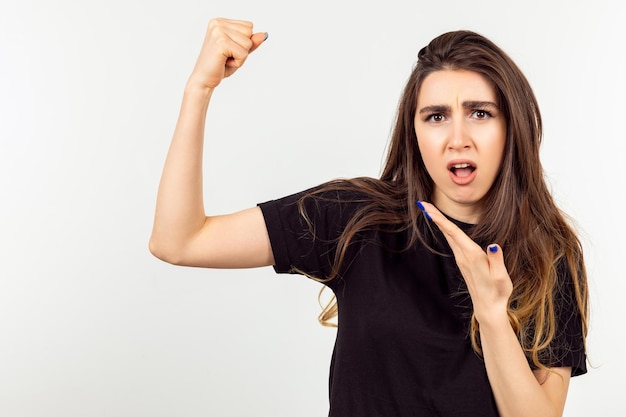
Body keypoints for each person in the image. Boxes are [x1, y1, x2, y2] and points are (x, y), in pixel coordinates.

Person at [150, 17, 588, 417]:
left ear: (511, 126)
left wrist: (492, 315)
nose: (459, 138)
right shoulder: (358, 219)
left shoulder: (548, 252)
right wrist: (199, 90)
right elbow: (180, 241)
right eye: (436, 116)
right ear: (413, 132)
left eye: (480, 113)